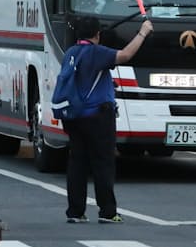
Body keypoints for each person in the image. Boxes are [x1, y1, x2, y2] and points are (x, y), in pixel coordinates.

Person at [63, 15, 154, 224]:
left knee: (77, 162)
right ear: (97, 34)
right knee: (102, 163)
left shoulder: (71, 53)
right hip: (98, 116)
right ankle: (107, 211)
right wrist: (143, 32)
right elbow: (126, 55)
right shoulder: (96, 52)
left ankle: (75, 212)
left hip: (74, 116)